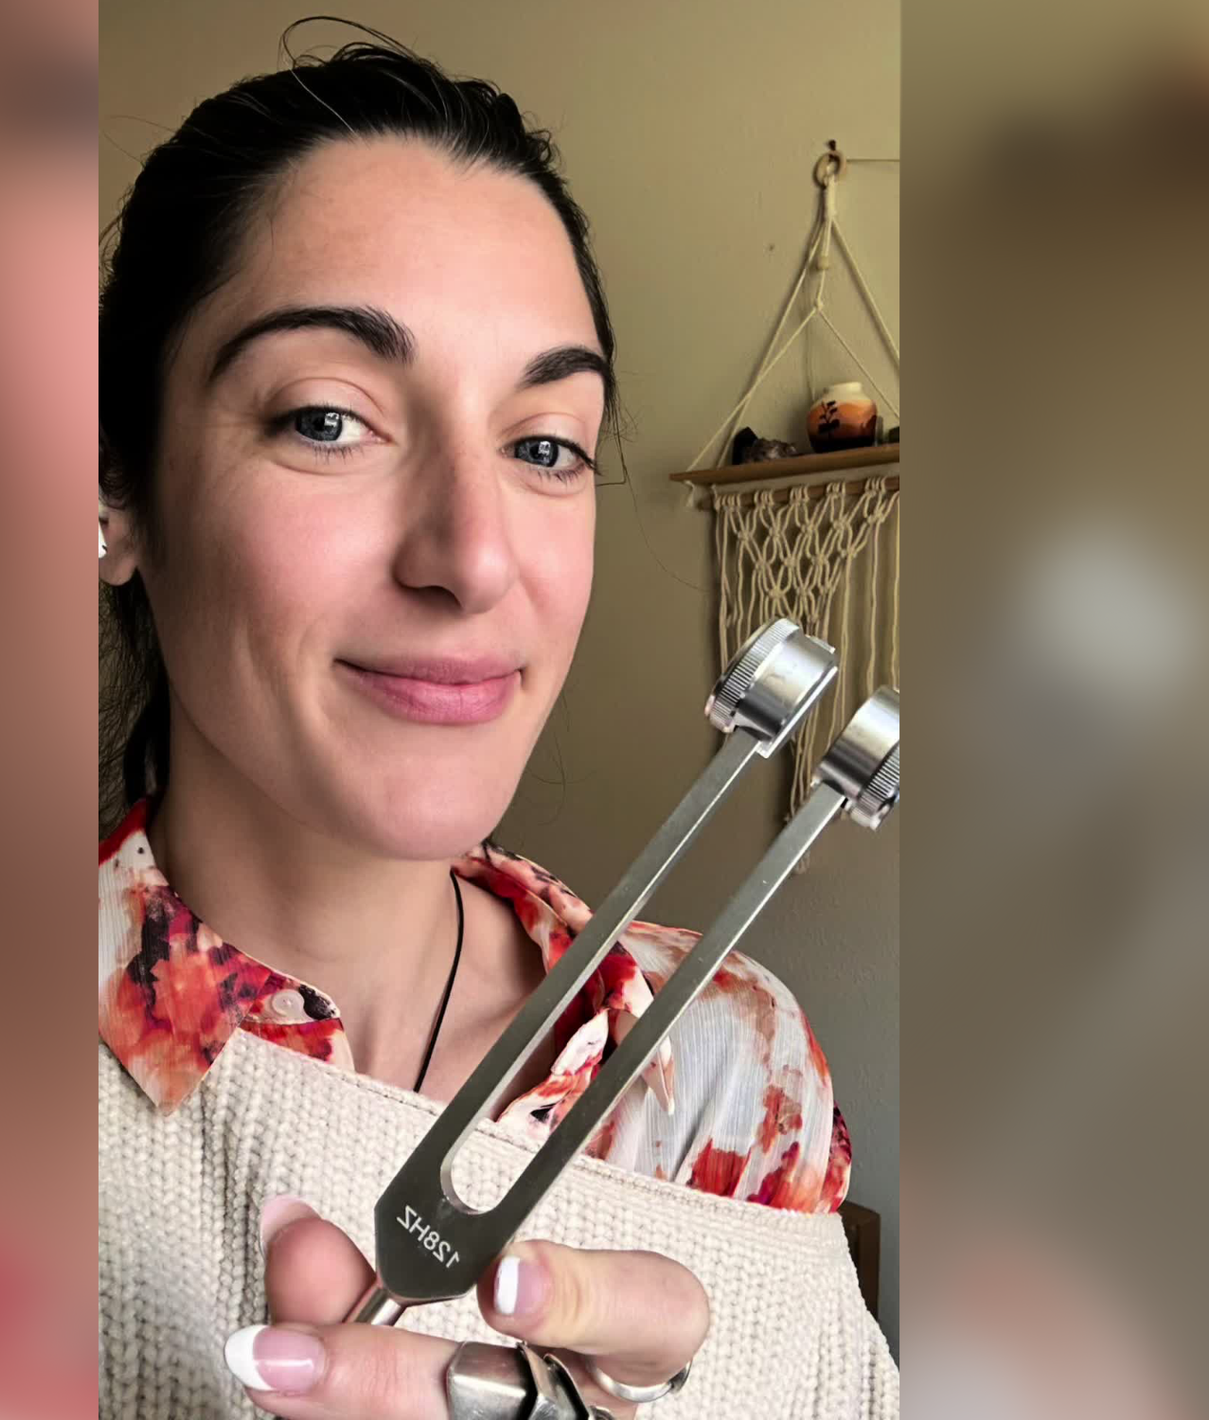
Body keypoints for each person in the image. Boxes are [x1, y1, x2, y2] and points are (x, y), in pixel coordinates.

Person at [98, 25, 887, 1420]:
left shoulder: (727, 1062)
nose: (471, 558)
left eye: (543, 445)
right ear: (115, 492)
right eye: (328, 420)